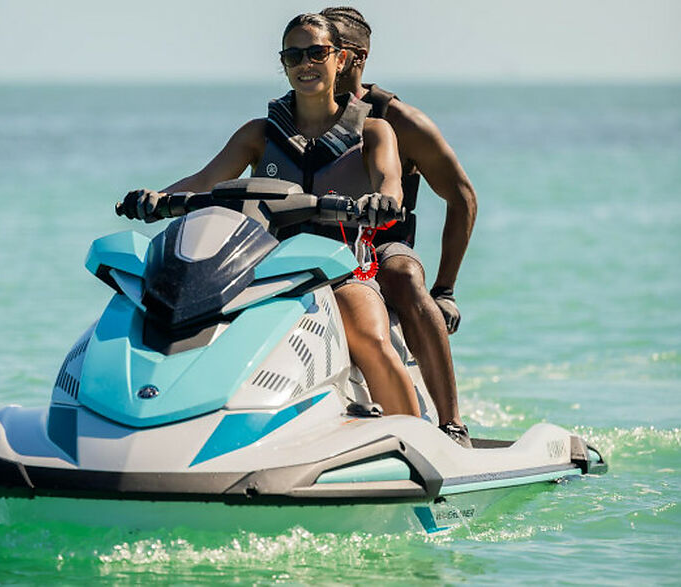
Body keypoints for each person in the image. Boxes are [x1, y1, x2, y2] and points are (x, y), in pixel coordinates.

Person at [124, 13, 421, 417]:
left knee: (369, 337)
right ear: (283, 65)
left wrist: (383, 199)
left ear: (341, 59)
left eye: (317, 53)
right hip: (263, 271)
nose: (305, 64)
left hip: (340, 271)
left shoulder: (373, 131)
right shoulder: (259, 134)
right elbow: (205, 179)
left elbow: (390, 180)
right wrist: (157, 199)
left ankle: (412, 434)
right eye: (293, 56)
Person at [317, 7, 479, 448]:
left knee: (402, 276)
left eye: (327, 51)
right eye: (303, 54)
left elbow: (462, 198)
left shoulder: (398, 120)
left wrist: (445, 289)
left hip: (382, 243)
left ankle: (451, 424)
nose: (313, 62)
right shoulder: (297, 115)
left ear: (356, 57)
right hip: (312, 245)